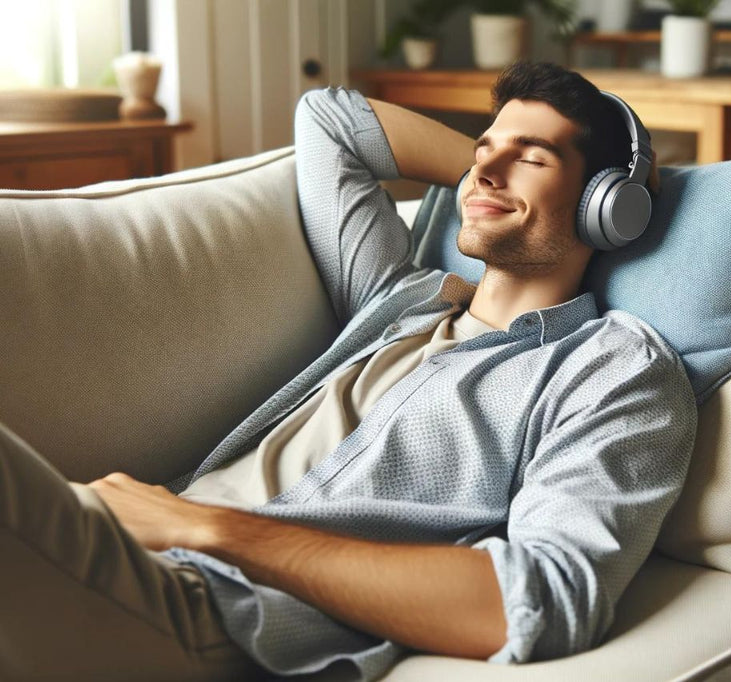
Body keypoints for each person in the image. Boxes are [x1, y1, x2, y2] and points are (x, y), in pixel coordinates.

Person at [0, 61, 695, 681]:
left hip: (216, 609)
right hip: (126, 535)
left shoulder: (612, 370)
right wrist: (492, 175)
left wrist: (207, 530)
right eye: (486, 150)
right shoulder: (398, 299)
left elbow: (542, 600)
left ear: (609, 208)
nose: (485, 170)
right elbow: (329, 121)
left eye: (533, 158)